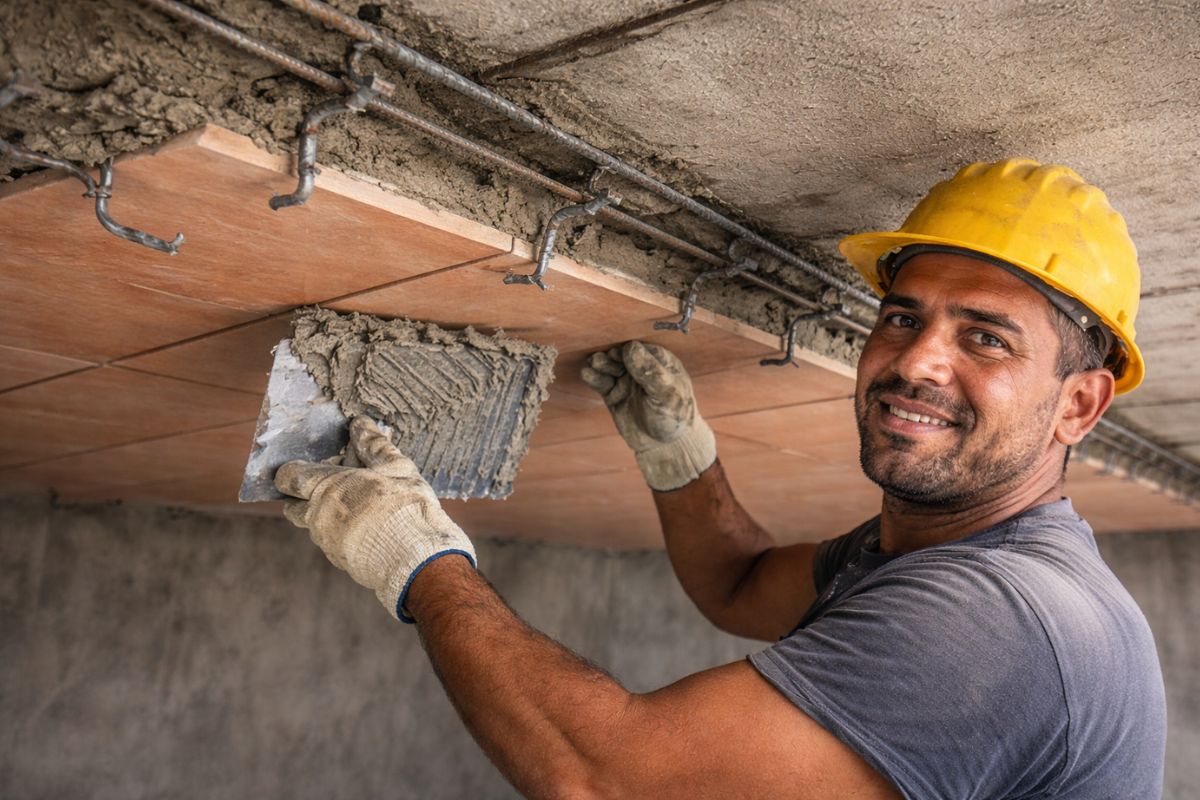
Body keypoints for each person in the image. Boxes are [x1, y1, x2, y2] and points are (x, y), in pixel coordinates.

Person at [275, 158, 1166, 798]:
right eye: (902, 318)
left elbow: (605, 780)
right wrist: (681, 461)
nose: (916, 362)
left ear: (1079, 405)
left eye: (985, 338)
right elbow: (737, 585)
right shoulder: (939, 553)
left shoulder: (998, 620)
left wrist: (419, 563)